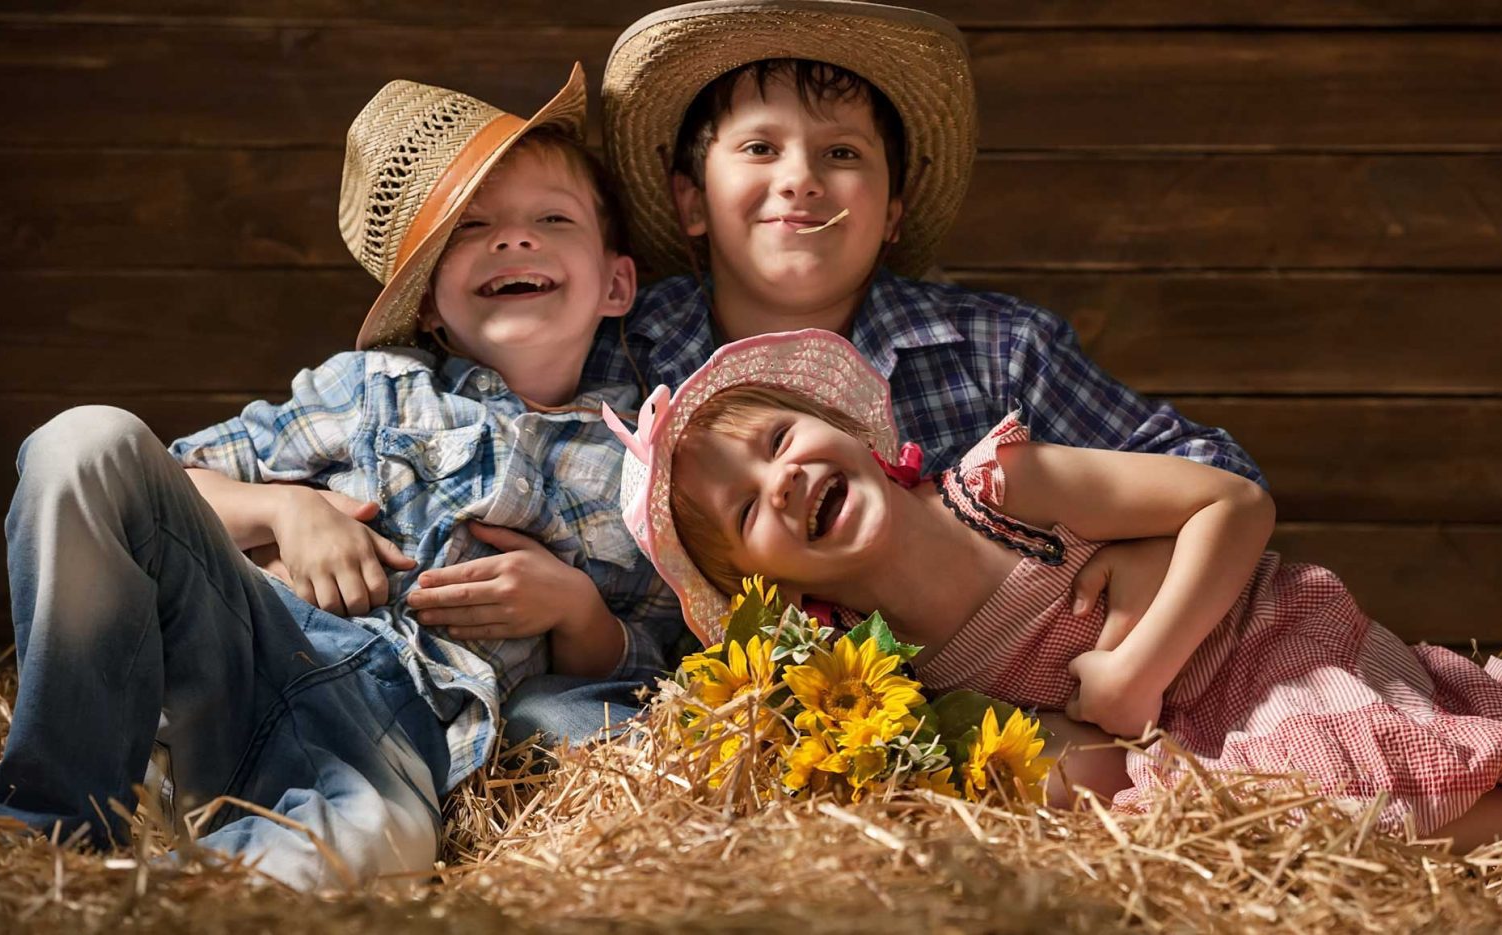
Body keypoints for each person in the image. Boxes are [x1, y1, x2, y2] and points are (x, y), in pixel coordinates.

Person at [491, 0, 1265, 747]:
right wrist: (361, 505)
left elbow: (1213, 472)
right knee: (552, 717)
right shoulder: (625, 341)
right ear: (691, 200)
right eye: (760, 149)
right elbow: (468, 398)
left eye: (842, 153)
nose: (800, 179)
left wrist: (1146, 550)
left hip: (1011, 713)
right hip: (742, 709)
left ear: (893, 210)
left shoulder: (995, 345)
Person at [0, 66, 681, 889]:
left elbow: (646, 659)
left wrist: (575, 607)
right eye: (473, 227)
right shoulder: (372, 385)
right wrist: (284, 509)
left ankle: (147, 888)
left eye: (551, 219)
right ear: (428, 307)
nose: (513, 239)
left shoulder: (639, 466)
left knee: (380, 846)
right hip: (249, 640)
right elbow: (165, 487)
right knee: (83, 443)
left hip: (386, 732)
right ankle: (40, 821)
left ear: (617, 284)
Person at [605, 327, 1502, 852]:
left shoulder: (1007, 489)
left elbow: (1233, 504)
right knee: (1247, 829)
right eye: (747, 509)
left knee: (1338, 790)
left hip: (1271, 652)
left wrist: (1134, 668)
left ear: (839, 422)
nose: (785, 481)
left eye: (777, 443)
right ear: (768, 586)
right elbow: (1080, 758)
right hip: (1198, 753)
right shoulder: (900, 678)